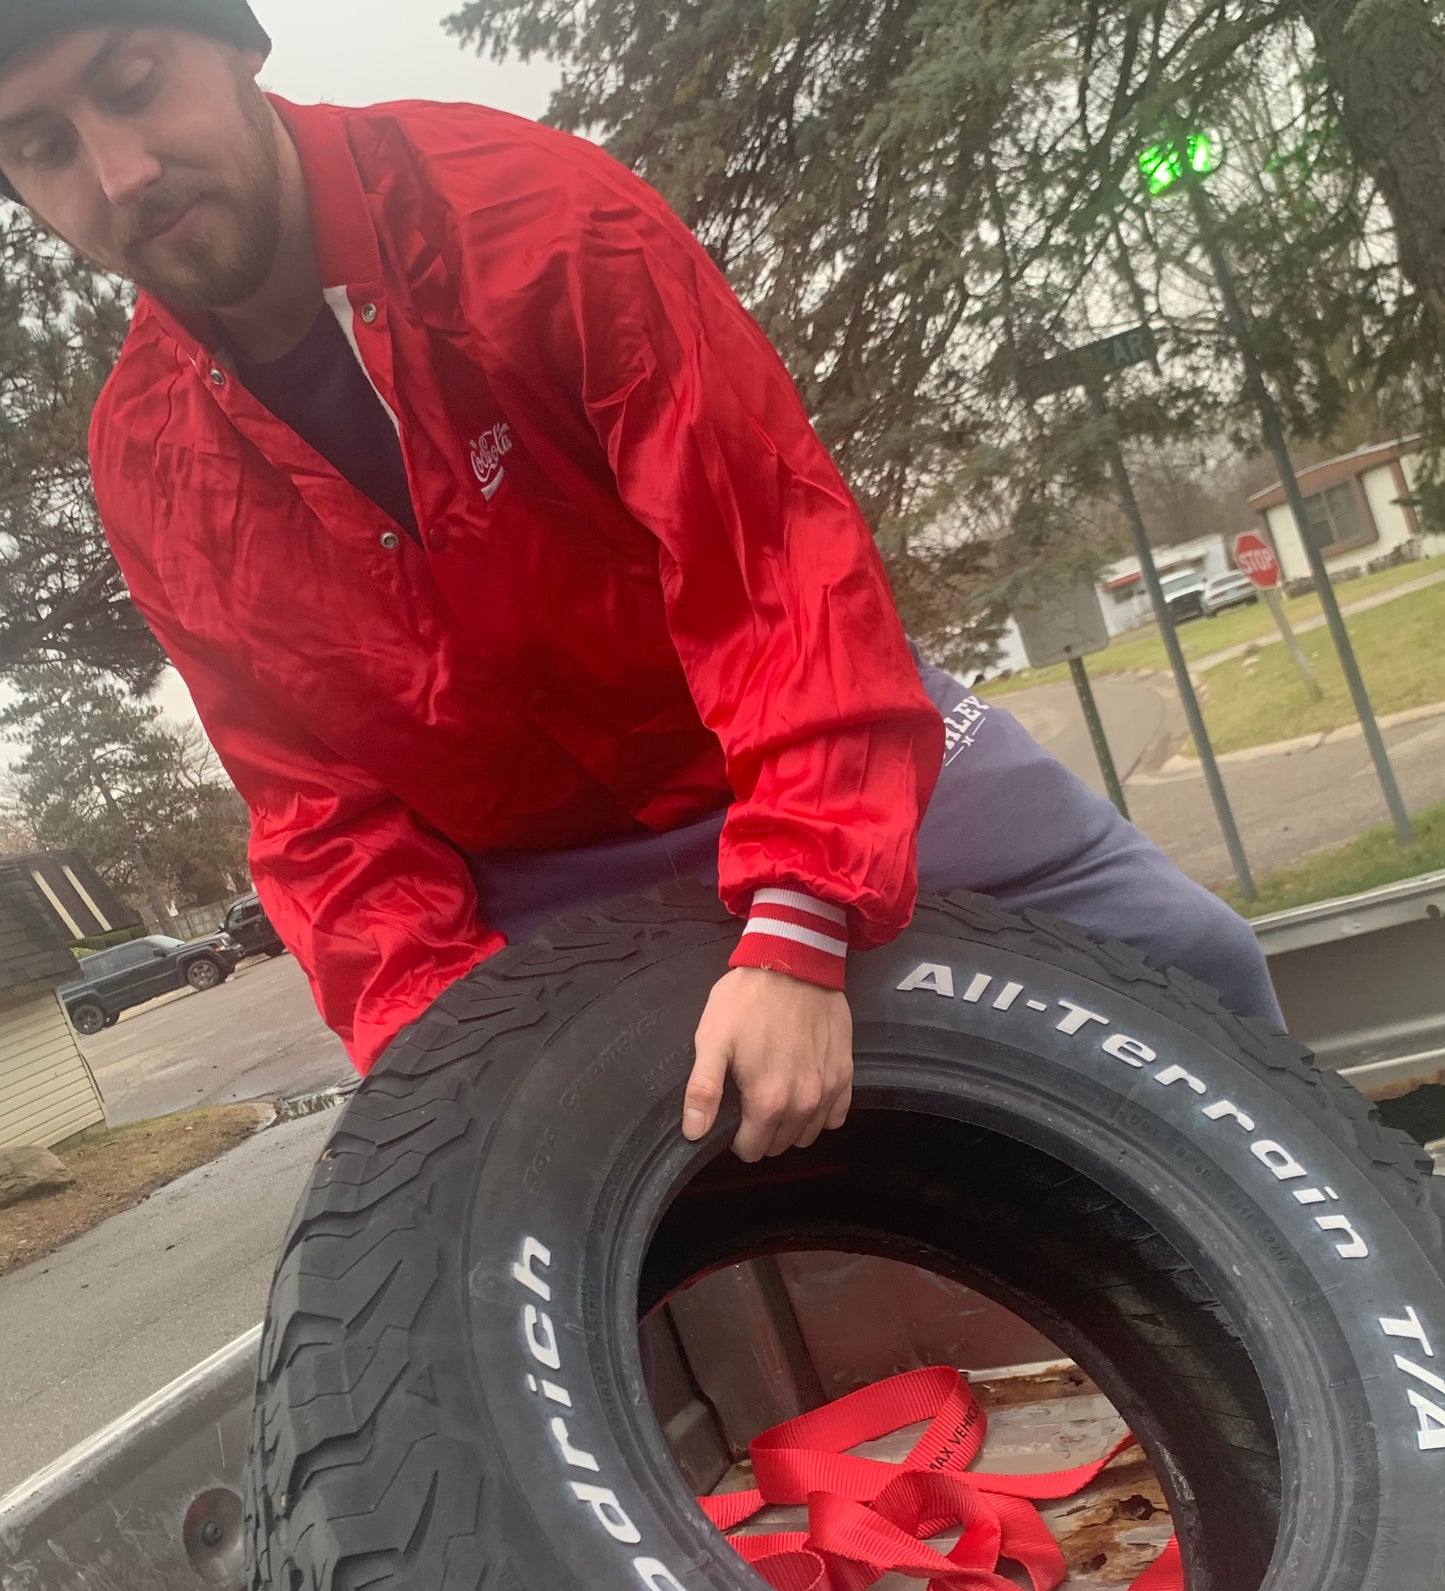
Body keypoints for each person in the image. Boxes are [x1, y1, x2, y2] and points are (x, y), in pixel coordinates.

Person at [0, 1, 1283, 1165]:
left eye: (134, 84)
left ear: (236, 47)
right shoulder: (144, 460)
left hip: (776, 750)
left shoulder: (531, 213)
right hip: (526, 868)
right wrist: (451, 1059)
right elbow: (317, 812)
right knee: (519, 1186)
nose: (121, 172)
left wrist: (795, 925)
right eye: (45, 145)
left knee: (1187, 959)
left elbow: (773, 563)